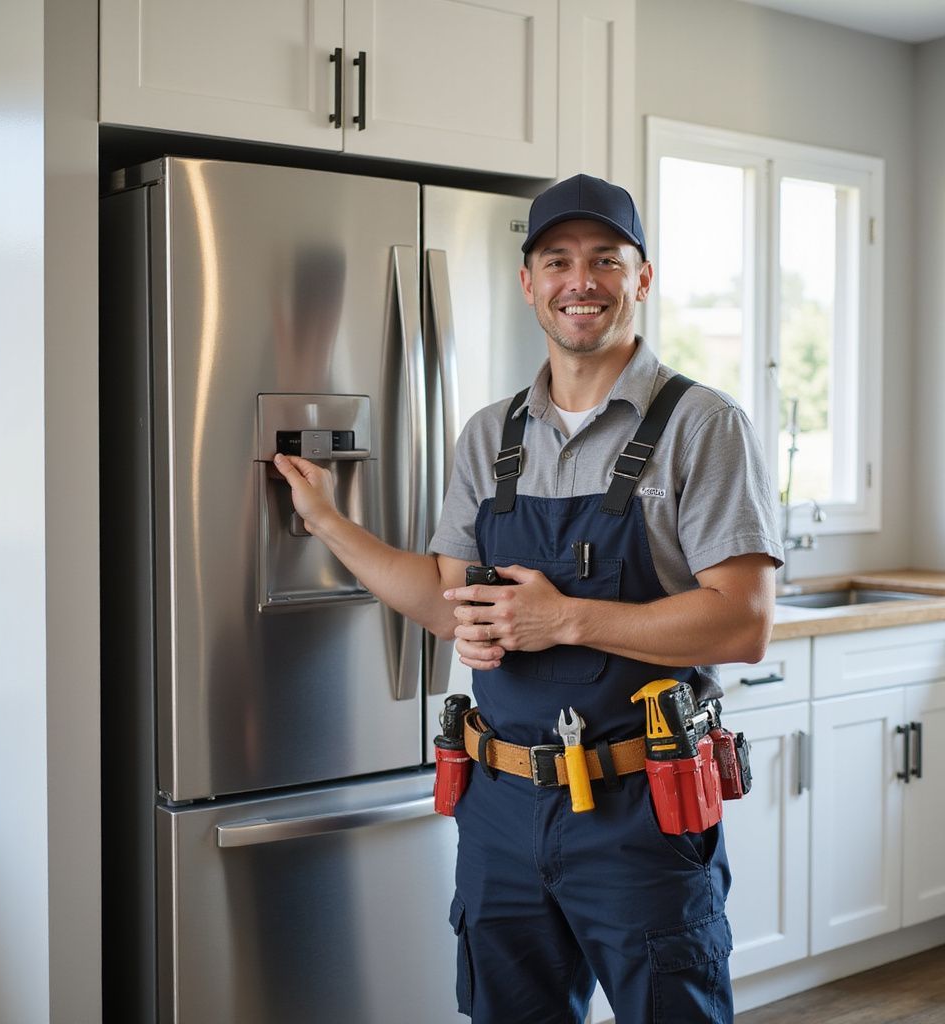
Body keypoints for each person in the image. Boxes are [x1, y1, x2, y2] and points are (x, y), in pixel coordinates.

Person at [274, 174, 783, 1024]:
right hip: (501, 803)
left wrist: (565, 617)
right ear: (529, 284)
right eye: (557, 261)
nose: (579, 281)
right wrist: (328, 521)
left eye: (604, 261)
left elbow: (743, 622)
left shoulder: (703, 425)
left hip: (642, 809)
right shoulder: (489, 434)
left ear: (641, 279)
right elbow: (447, 602)